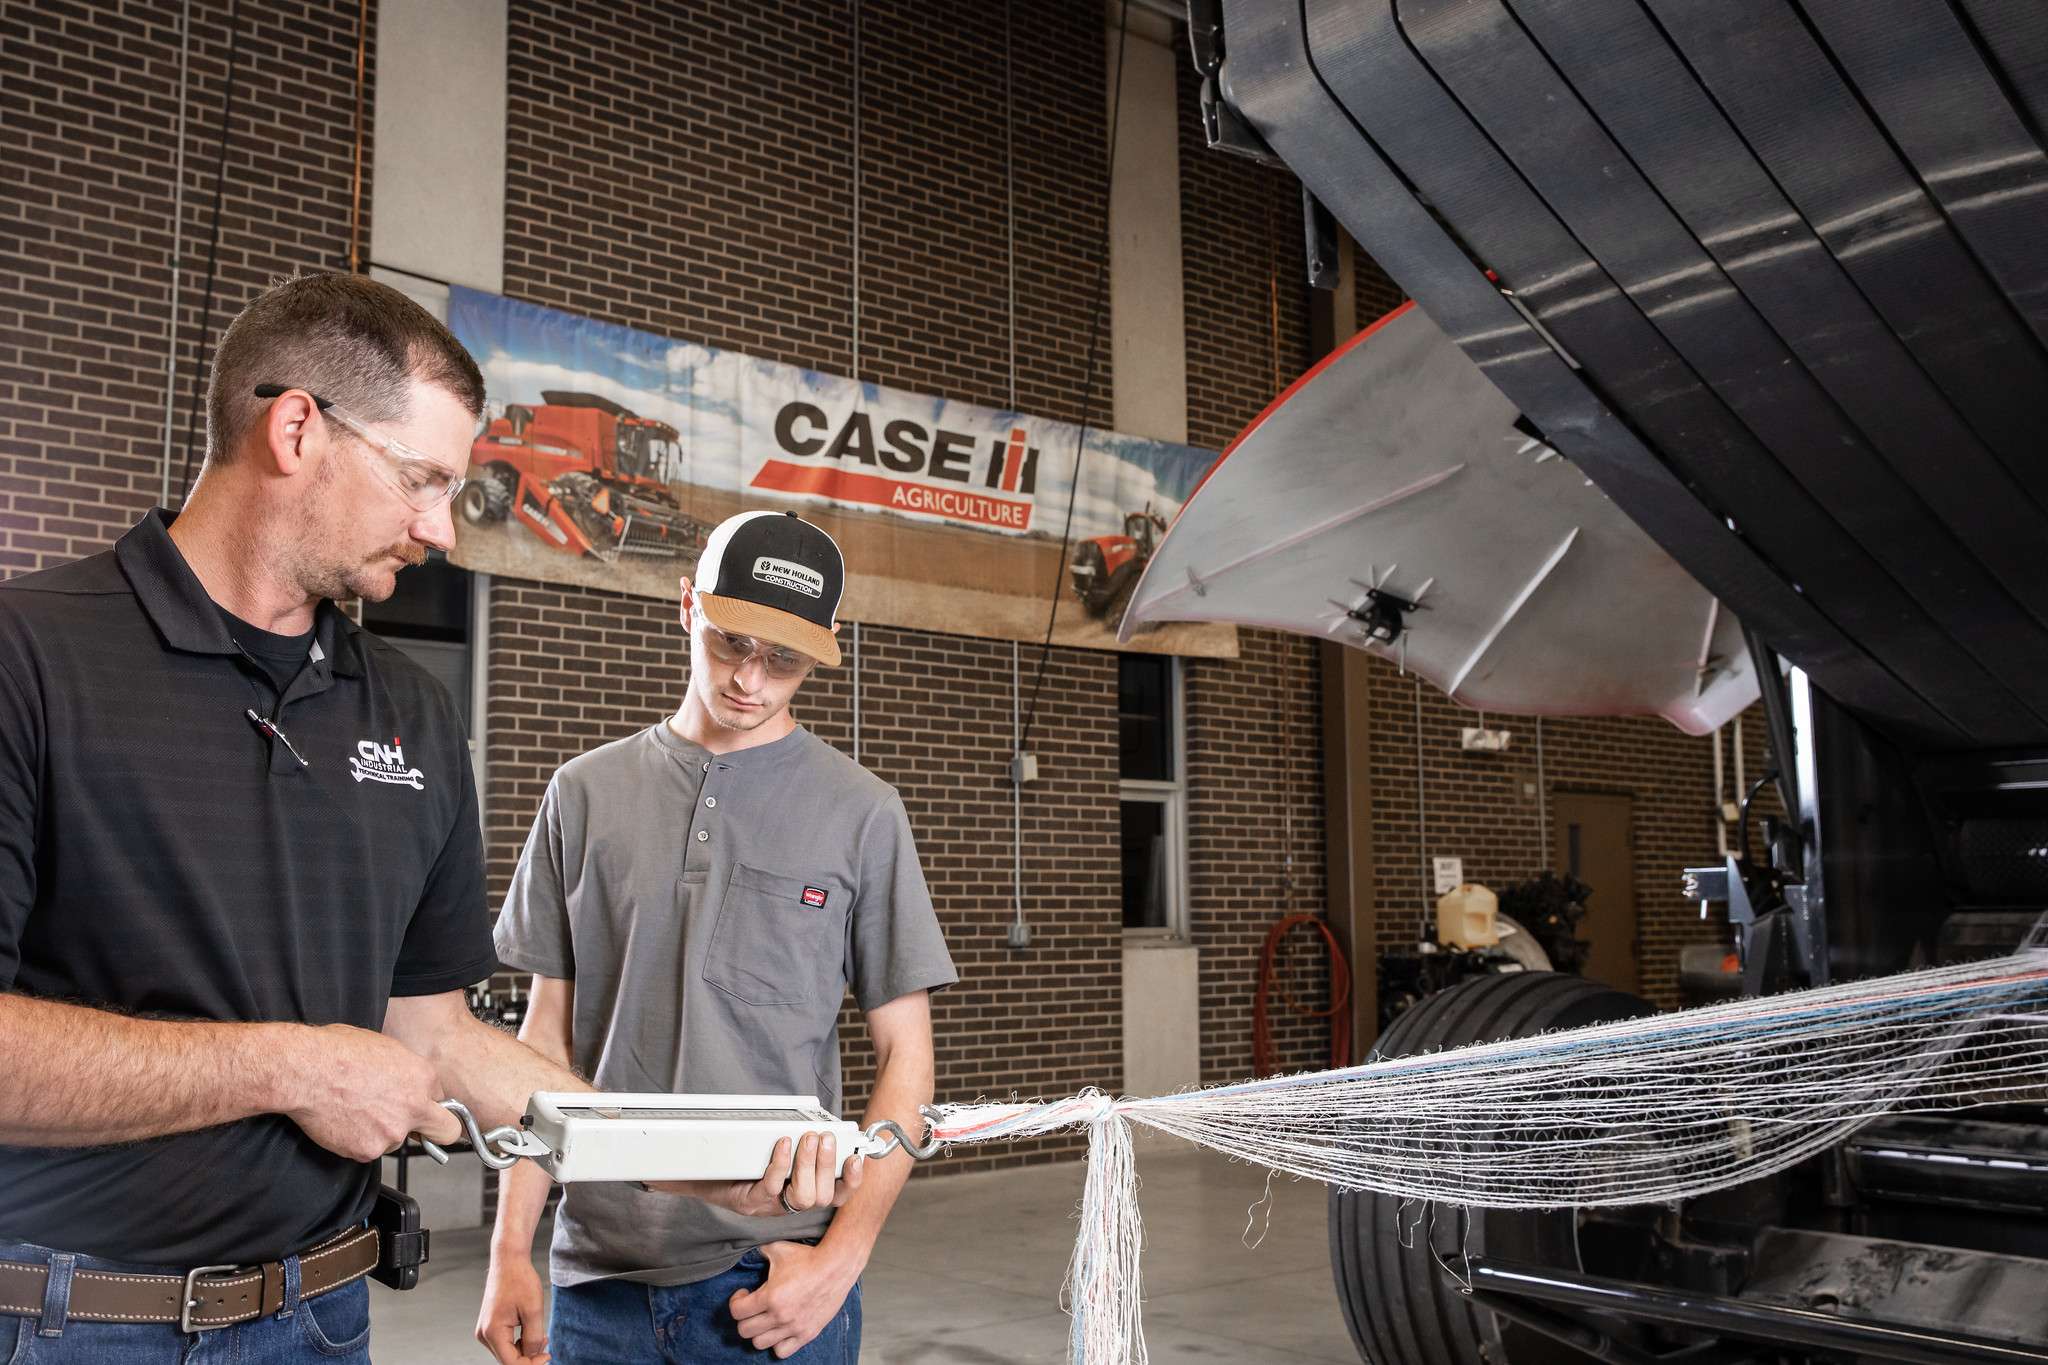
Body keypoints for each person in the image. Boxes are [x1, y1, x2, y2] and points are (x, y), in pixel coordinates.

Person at [0, 274, 841, 1364]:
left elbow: (432, 1034)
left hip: (322, 1319)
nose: (442, 527)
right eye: (421, 479)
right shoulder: (30, 658)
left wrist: (683, 1157)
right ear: (296, 428)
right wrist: (291, 1070)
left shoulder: (409, 712)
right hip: (71, 1322)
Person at [481, 509, 959, 1364]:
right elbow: (544, 1040)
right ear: (685, 606)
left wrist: (838, 1263)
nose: (751, 677)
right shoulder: (582, 793)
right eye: (729, 640)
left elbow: (907, 1061)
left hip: (772, 1283)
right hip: (599, 1279)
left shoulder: (863, 813)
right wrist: (510, 1248)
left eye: (785, 658)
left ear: (823, 645)